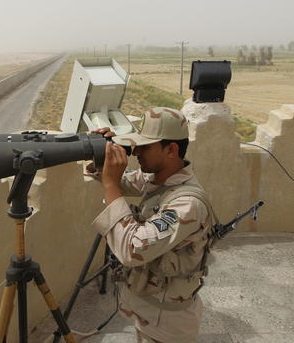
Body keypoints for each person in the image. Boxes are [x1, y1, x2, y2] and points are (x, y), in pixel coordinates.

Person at [87, 107, 217, 342]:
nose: (136, 151)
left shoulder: (187, 205)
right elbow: (119, 178)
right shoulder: (158, 179)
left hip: (167, 324)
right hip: (150, 311)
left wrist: (111, 189)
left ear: (171, 149)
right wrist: (101, 152)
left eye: (145, 146)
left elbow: (132, 250)